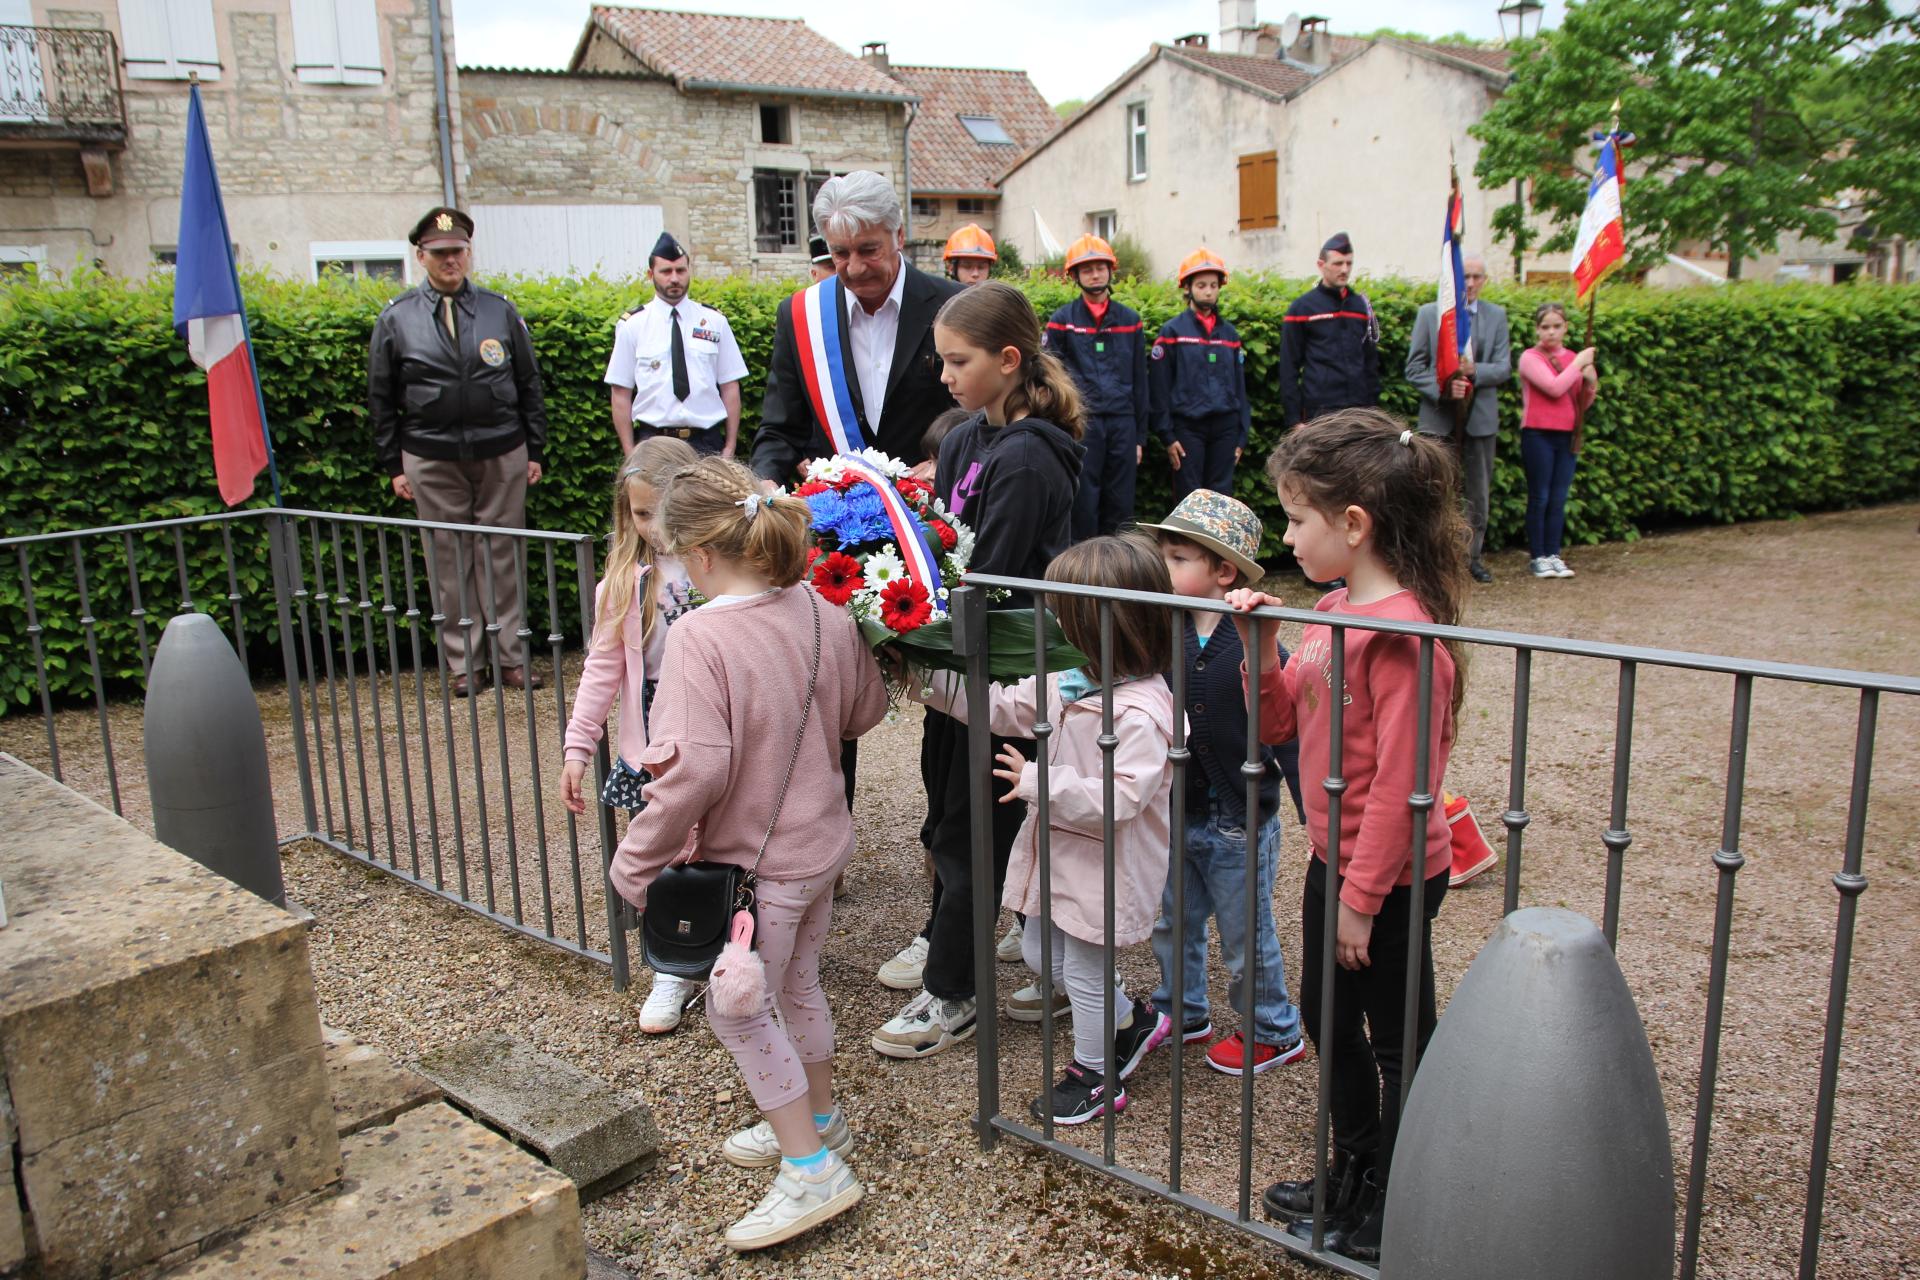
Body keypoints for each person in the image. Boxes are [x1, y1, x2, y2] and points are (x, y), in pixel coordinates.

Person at [606, 458, 888, 1253]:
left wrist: (634, 863)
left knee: (740, 1010)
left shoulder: (700, 634)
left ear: (696, 557)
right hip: (820, 843)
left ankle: (810, 1167)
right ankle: (820, 1119)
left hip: (755, 868)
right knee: (797, 983)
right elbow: (864, 711)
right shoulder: (824, 611)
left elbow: (696, 769)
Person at [1226, 408, 1468, 1266]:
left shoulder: (1404, 639)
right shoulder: (1332, 610)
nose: (1285, 536)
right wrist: (1262, 648)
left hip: (1391, 873)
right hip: (1341, 859)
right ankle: (1358, 1167)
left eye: (1296, 518)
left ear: (1354, 524)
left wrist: (1362, 902)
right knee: (1332, 1020)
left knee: (1401, 1043)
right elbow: (1285, 722)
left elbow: (1408, 788)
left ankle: (1401, 1197)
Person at [870, 281, 1083, 1060]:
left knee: (976, 830)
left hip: (1006, 678)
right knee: (949, 818)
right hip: (956, 670)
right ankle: (1047, 959)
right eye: (940, 360)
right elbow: (939, 541)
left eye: (959, 361)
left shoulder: (1033, 458)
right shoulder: (964, 438)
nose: (945, 376)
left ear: (1009, 359)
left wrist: (915, 617)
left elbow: (989, 577)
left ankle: (953, 991)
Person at [904, 534, 1175, 1124]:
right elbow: (1003, 708)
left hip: (1108, 862)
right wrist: (926, 675)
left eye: (1059, 615)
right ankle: (1133, 1020)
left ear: (1110, 625)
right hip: (1064, 853)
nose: (1045, 624)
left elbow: (1122, 798)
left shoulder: (1142, 712)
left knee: (1082, 968)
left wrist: (1035, 782)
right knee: (1035, 950)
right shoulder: (1072, 677)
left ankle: (1097, 1073)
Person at [1136, 489, 1306, 1077]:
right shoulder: (1163, 630)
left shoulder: (1256, 640)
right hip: (1175, 810)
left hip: (1240, 815)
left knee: (1246, 936)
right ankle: (1180, 1010)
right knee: (1171, 921)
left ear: (1223, 571)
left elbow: (1285, 728)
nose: (1162, 568)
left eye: (1178, 559)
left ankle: (1273, 1028)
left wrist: (1312, 808)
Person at [369, 205, 548, 697]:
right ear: (421, 256)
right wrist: (393, 464)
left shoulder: (498, 309)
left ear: (468, 253)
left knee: (503, 553)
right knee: (447, 560)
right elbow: (381, 398)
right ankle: (464, 663)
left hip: (501, 450)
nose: (451, 261)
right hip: (431, 456)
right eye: (441, 253)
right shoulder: (397, 318)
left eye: (459, 252)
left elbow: (527, 383)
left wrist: (534, 448)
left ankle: (511, 657)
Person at [558, 436, 699, 1034]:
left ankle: (728, 943)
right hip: (651, 735)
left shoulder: (717, 565)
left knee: (712, 841)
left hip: (707, 724)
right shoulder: (624, 581)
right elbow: (602, 668)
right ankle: (676, 963)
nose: (653, 525)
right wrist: (577, 745)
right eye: (641, 513)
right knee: (662, 848)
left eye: (662, 510)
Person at [752, 171, 964, 487]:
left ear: (900, 236)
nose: (854, 267)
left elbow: (984, 413)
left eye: (868, 250)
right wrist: (765, 481)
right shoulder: (800, 316)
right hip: (839, 521)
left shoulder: (954, 305)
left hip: (936, 516)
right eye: (840, 253)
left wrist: (943, 461)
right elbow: (781, 429)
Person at [877, 404, 980, 992]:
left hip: (974, 679)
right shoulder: (916, 515)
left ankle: (954, 932)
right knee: (939, 796)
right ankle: (943, 922)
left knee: (971, 812)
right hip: (941, 682)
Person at [1406, 255, 1511, 583]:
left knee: (1478, 492)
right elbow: (1414, 367)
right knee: (1433, 489)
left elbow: (1504, 366)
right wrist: (1443, 387)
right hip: (1439, 420)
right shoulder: (1429, 314)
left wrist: (1474, 371)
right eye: (1464, 276)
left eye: (1477, 276)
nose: (1470, 283)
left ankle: (1472, 556)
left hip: (1479, 420)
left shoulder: (1497, 316)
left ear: (1484, 280)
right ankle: (1431, 558)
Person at [606, 232, 749, 460]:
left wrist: (729, 448)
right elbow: (620, 393)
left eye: (680, 271)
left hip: (706, 444)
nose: (674, 278)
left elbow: (730, 387)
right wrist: (630, 454)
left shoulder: (715, 321)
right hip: (654, 445)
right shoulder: (633, 326)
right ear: (651, 274)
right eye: (666, 271)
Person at [1045, 234, 1149, 540]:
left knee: (1121, 501)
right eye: (1087, 268)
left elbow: (1141, 381)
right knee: (1083, 501)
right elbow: (1054, 377)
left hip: (1122, 423)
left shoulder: (1131, 320)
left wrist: (1140, 435)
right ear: (1075, 275)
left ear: (1110, 271)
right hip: (1082, 423)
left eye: (1100, 267)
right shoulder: (1061, 321)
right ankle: (1086, 573)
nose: (1095, 274)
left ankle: (1121, 571)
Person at [1152, 249, 1251, 502]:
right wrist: (1167, 435)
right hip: (1188, 427)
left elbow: (1240, 388)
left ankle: (1215, 544)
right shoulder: (1172, 331)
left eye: (1213, 285)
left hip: (1225, 427)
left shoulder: (1230, 335)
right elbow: (1160, 387)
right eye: (1201, 285)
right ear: (1187, 288)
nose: (1208, 291)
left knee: (1221, 498)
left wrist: (1241, 434)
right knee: (1189, 498)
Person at [1517, 302, 1597, 580]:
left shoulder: (1575, 358)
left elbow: (1581, 401)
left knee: (1559, 497)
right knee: (1540, 496)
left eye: (1556, 326)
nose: (1551, 332)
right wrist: (1578, 365)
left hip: (1566, 434)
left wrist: (1590, 380)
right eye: (1545, 327)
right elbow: (1554, 388)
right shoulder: (1530, 358)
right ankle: (1538, 555)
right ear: (1537, 329)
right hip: (1538, 433)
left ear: (1565, 328)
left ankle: (1554, 553)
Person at [1278, 233, 1380, 428]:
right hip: (1320, 411)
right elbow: (1288, 367)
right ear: (1320, 265)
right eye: (1337, 263)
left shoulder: (1360, 306)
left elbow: (1370, 363)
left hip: (1359, 411)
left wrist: (1373, 411)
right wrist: (1294, 419)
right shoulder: (1302, 308)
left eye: (1349, 263)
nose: (1344, 269)